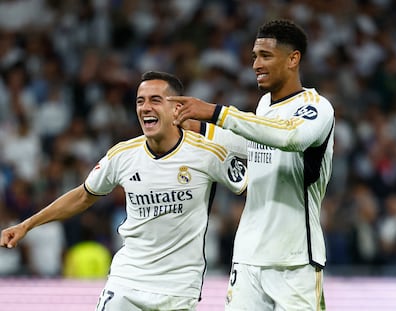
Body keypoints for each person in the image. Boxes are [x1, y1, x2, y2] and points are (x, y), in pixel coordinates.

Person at [0, 71, 247, 311]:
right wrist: (26, 225)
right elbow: (83, 195)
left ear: (177, 109)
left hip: (179, 288)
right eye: (140, 101)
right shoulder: (122, 155)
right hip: (127, 280)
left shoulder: (207, 153)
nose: (145, 107)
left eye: (155, 100)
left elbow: (252, 187)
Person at [170, 19, 334, 311]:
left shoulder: (317, 107)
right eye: (254, 57)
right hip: (247, 257)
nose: (256, 64)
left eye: (266, 56)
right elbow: (256, 143)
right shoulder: (264, 108)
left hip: (294, 261)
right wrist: (199, 127)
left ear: (293, 59)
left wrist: (216, 113)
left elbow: (290, 136)